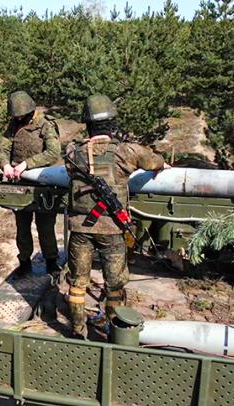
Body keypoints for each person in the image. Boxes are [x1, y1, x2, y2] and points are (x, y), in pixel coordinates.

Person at [65, 94, 169, 338]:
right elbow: (154, 161)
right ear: (112, 123)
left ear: (87, 124)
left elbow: (69, 166)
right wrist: (162, 165)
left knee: (78, 284)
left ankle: (77, 330)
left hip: (80, 229)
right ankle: (113, 332)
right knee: (115, 285)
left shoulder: (73, 153)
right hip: (111, 228)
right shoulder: (126, 151)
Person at [0, 91, 61, 276]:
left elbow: (53, 153)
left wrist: (27, 164)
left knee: (45, 227)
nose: (18, 119)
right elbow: (3, 148)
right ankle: (24, 261)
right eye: (15, 116)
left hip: (43, 182)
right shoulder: (14, 125)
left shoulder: (46, 125)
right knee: (22, 226)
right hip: (20, 183)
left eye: (21, 115)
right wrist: (5, 165)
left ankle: (51, 261)